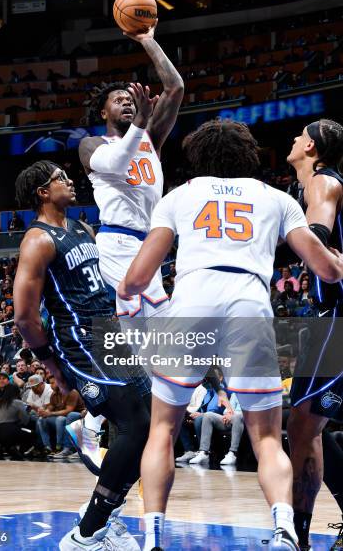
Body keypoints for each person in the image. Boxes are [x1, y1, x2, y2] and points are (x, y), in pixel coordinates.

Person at [117, 119, 343, 551]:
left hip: (192, 300)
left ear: (198, 157)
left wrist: (128, 291)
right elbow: (326, 269)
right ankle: (283, 531)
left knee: (162, 429)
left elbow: (137, 277)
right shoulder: (276, 198)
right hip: (248, 303)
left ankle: (152, 538)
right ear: (248, 155)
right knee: (266, 437)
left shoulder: (178, 197)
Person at [14, 159, 152, 550]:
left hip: (109, 334)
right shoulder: (37, 241)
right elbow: (24, 316)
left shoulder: (82, 228)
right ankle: (88, 533)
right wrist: (53, 367)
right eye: (60, 177)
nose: (69, 180)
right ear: (43, 192)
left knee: (154, 423)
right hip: (80, 342)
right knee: (135, 425)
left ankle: (103, 519)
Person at [79, 22, 183, 319]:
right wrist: (140, 122)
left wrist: (148, 41)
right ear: (103, 112)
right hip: (117, 241)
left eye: (129, 100)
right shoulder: (90, 144)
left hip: (150, 243)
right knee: (147, 319)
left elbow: (176, 88)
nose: (126, 103)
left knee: (157, 325)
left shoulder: (149, 137)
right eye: (119, 101)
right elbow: (115, 163)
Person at [286, 119, 343, 551]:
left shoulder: (321, 182)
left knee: (304, 423)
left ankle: (297, 537)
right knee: (310, 425)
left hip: (338, 317)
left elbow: (318, 237)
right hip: (328, 317)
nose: (291, 140)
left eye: (296, 136)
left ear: (309, 146)